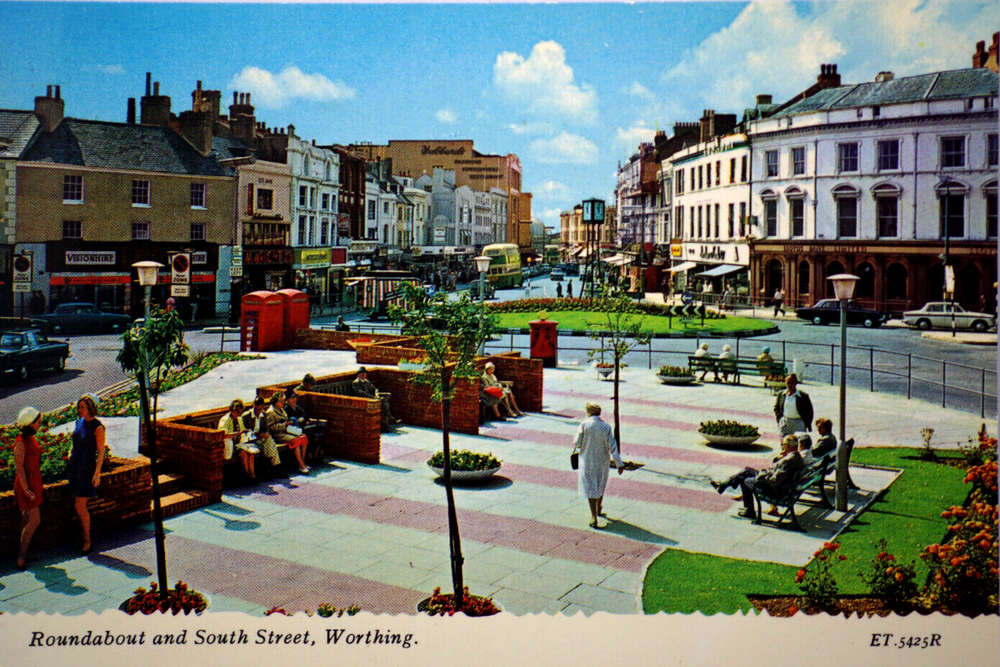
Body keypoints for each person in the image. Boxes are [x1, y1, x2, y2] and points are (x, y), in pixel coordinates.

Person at [573, 403, 624, 529]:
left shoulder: (584, 425)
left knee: (590, 486)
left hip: (587, 459)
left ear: (588, 412)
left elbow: (577, 443)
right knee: (600, 484)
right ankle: (598, 508)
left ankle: (593, 516)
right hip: (602, 460)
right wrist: (619, 463)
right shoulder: (606, 426)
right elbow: (613, 446)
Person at [69, 394, 106, 555]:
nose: (80, 410)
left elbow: (101, 452)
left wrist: (97, 473)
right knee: (76, 505)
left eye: (83, 407)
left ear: (90, 407)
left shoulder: (98, 427)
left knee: (80, 505)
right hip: (75, 467)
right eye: (79, 407)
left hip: (87, 468)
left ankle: (87, 540)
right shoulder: (79, 422)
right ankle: (80, 537)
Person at [737, 434, 804, 519]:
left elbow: (774, 481)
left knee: (746, 480)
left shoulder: (787, 461)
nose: (782, 448)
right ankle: (725, 484)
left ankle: (750, 511)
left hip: (777, 492)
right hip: (786, 489)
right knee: (747, 471)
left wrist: (762, 475)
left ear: (788, 446)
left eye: (783, 445)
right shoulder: (799, 458)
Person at [13, 407, 44, 569]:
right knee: (34, 520)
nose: (40, 425)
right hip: (27, 486)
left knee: (26, 520)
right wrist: (27, 490)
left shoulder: (31, 439)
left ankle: (24, 552)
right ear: (29, 424)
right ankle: (21, 556)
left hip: (34, 483)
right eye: (38, 423)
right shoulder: (20, 443)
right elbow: (19, 469)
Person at [265, 393, 310, 474]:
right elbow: (271, 428)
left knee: (303, 437)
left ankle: (303, 462)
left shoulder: (281, 409)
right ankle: (301, 464)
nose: (283, 403)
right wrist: (284, 425)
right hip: (278, 435)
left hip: (287, 431)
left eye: (283, 401)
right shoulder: (271, 412)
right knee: (295, 440)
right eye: (281, 401)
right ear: (275, 402)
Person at [242, 396, 282, 474]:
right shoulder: (246, 416)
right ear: (253, 406)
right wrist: (256, 436)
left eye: (260, 409)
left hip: (261, 439)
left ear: (263, 407)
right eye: (256, 409)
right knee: (271, 445)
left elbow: (266, 428)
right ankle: (272, 468)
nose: (258, 411)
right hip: (250, 440)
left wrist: (266, 433)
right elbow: (244, 432)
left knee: (270, 441)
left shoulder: (264, 414)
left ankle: (271, 468)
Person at [218, 399, 256, 480]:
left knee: (251, 453)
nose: (238, 414)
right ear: (232, 410)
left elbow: (242, 431)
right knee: (243, 454)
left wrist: (246, 432)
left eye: (240, 412)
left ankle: (252, 475)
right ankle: (247, 475)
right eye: (237, 412)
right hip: (229, 445)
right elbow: (224, 435)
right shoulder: (225, 420)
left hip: (239, 443)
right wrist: (238, 433)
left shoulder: (239, 419)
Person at [285, 387, 324, 464]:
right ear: (288, 399)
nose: (294, 400)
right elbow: (291, 421)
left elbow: (305, 415)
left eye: (295, 398)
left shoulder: (297, 407)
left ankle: (316, 454)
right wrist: (302, 421)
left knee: (319, 430)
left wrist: (303, 419)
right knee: (309, 434)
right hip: (295, 430)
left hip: (303, 427)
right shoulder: (287, 409)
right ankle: (310, 456)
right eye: (292, 398)